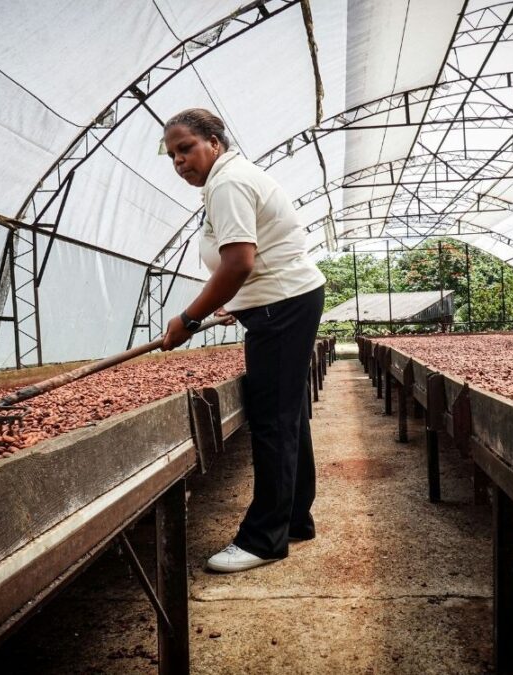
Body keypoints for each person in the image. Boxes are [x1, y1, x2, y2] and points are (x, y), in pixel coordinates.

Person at [160, 108, 326, 573]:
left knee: (272, 419)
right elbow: (251, 263)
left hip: (281, 306)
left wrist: (188, 319)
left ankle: (263, 539)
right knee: (286, 415)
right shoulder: (228, 180)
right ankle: (294, 519)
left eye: (186, 148)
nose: (179, 162)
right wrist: (237, 303)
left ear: (214, 142)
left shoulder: (227, 184)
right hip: (282, 301)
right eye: (173, 155)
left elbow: (239, 263)